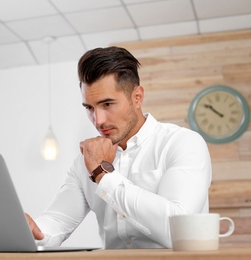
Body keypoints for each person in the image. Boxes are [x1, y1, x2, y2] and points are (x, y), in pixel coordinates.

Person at [26, 46, 212, 249]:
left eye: (107, 104)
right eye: (89, 107)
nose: (98, 120)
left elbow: (178, 231)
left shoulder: (183, 143)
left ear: (137, 97)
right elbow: (58, 221)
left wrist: (102, 174)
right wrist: (32, 228)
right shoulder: (85, 161)